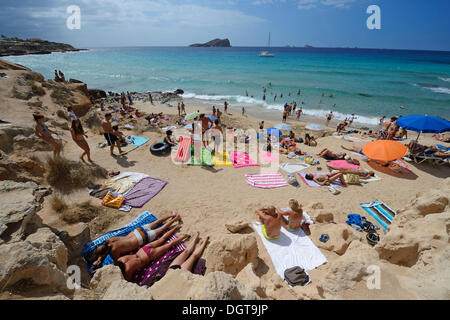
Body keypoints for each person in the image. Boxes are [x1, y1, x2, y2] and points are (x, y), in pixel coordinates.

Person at [88, 214, 180, 267]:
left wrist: (100, 265)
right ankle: (172, 215)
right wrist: (100, 258)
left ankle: (176, 219)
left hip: (141, 239)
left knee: (161, 229)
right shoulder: (108, 240)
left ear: (105, 253)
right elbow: (103, 248)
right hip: (137, 231)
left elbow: (117, 263)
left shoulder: (114, 252)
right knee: (156, 222)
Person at [115, 225, 189, 281]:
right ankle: (175, 228)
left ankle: (184, 236)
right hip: (143, 249)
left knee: (169, 245)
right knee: (162, 239)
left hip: (148, 255)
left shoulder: (127, 271)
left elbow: (128, 280)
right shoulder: (120, 259)